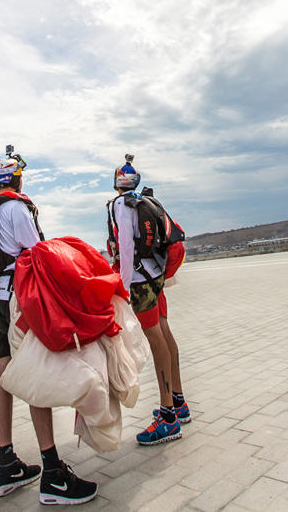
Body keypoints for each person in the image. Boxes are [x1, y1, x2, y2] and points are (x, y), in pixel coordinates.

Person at [0, 147, 97, 504]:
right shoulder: (16, 208)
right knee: (35, 372)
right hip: (19, 298)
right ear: (16, 177)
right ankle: (52, 474)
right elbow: (39, 253)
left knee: (5, 370)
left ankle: (7, 464)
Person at [107, 155, 191, 446]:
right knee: (164, 333)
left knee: (155, 339)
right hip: (156, 275)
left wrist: (124, 284)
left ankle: (167, 417)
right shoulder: (147, 201)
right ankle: (178, 402)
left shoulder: (120, 204)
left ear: (116, 182)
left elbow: (126, 246)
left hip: (140, 281)